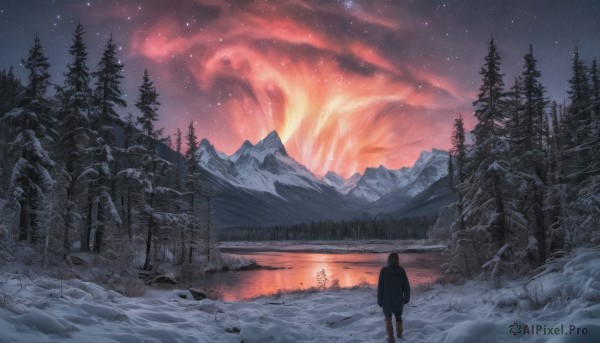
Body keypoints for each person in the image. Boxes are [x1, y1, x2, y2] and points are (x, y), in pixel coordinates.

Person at [377, 252, 410, 342]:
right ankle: (399, 334)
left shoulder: (384, 271)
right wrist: (406, 299)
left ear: (388, 260)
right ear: (397, 261)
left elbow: (380, 288)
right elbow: (406, 287)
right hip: (398, 301)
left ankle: (391, 337)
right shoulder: (402, 271)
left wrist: (380, 301)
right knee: (398, 318)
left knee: (388, 318)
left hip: (387, 301)